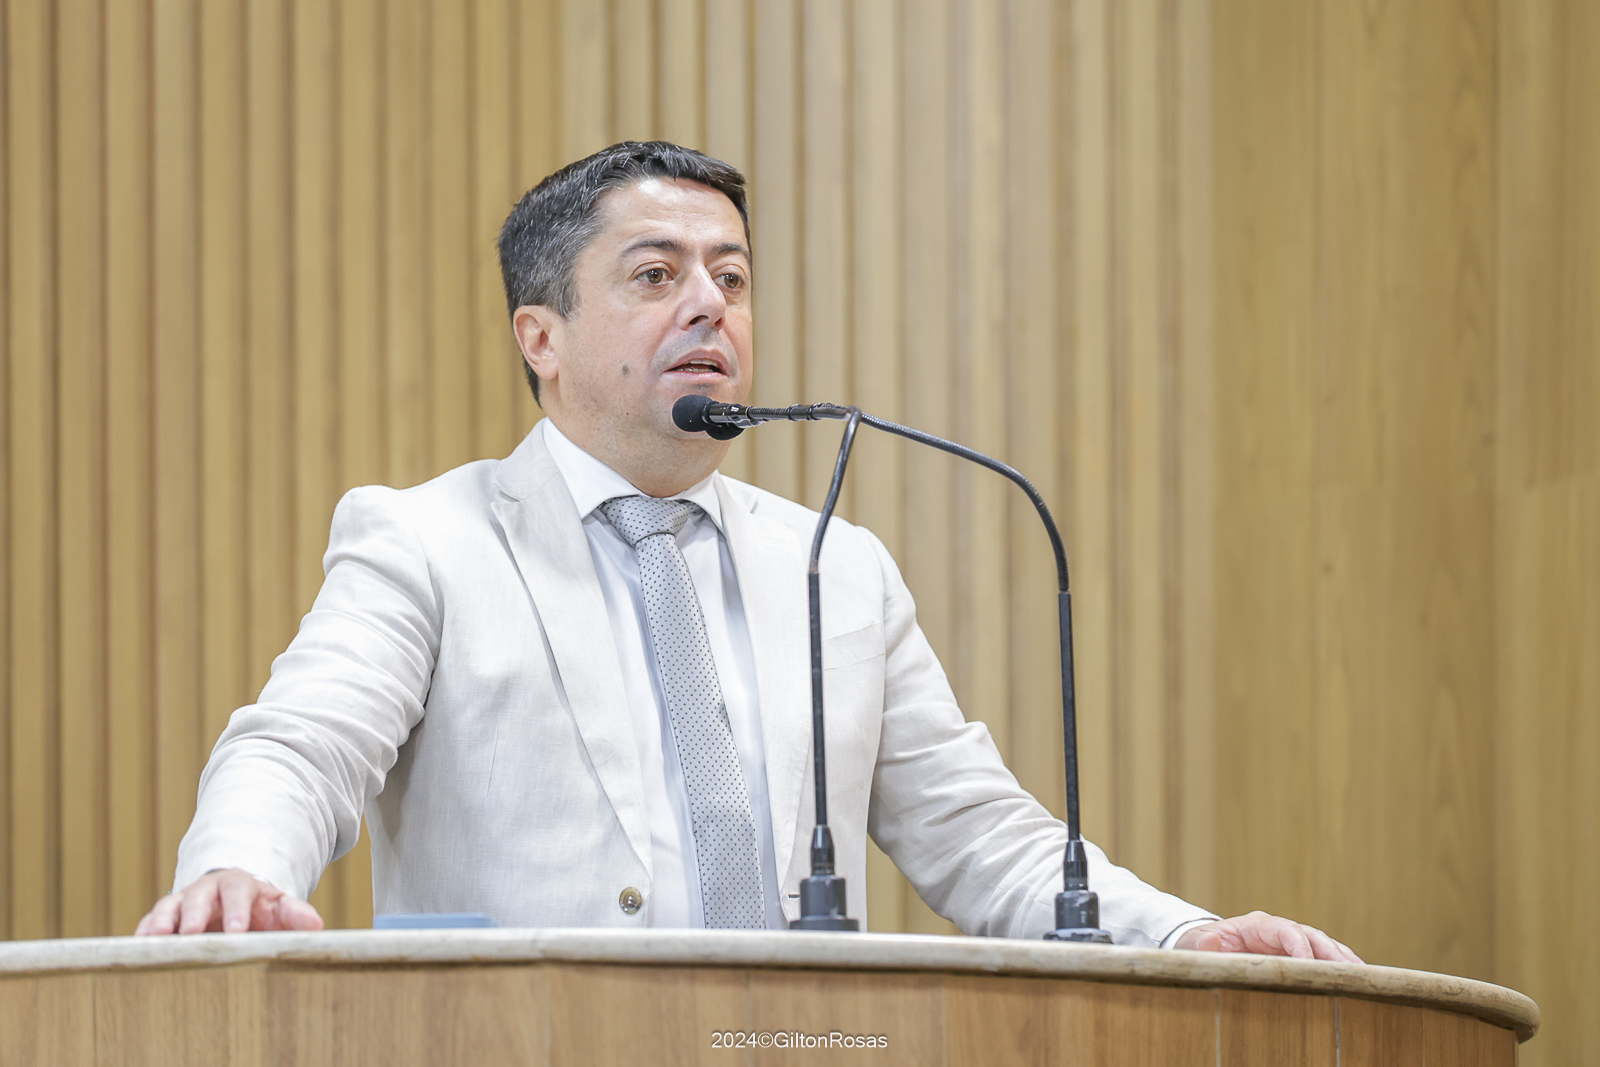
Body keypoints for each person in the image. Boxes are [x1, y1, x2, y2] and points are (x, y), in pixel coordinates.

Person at [136, 142, 1358, 964]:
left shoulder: (836, 565)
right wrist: (237, 869)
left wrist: (1178, 933)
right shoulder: (430, 539)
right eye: (656, 274)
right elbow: (302, 742)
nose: (710, 303)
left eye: (731, 275)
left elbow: (976, 830)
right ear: (541, 336)